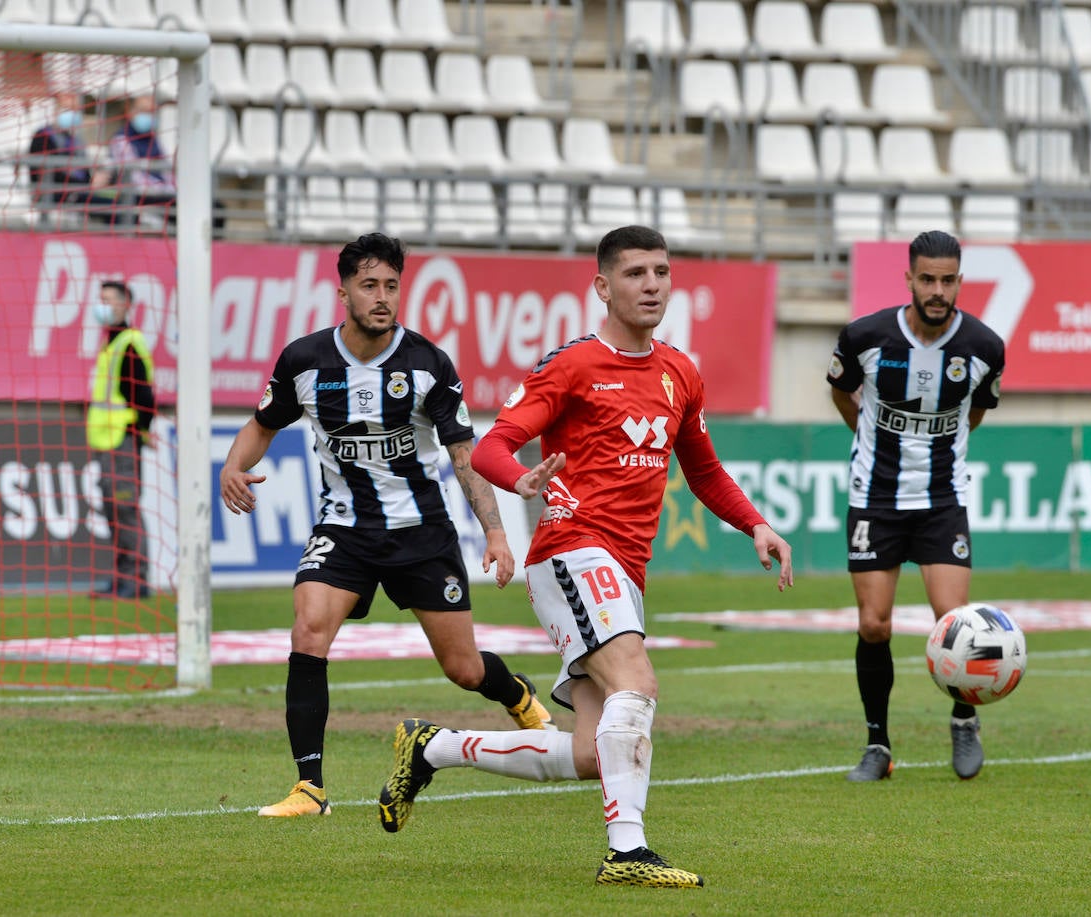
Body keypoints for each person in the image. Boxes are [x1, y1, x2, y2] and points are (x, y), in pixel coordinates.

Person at [374, 225, 795, 888]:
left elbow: (705, 470)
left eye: (660, 271)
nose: (651, 283)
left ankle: (433, 747)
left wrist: (756, 525)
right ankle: (627, 850)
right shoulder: (572, 366)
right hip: (572, 549)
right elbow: (490, 449)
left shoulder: (681, 371)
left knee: (592, 752)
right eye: (634, 273)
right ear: (603, 286)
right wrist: (524, 481)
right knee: (639, 681)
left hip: (624, 568)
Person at [219, 232, 555, 819]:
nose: (382, 297)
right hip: (344, 529)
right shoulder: (305, 360)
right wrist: (232, 465)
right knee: (308, 630)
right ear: (343, 290)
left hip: (421, 533)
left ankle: (516, 693)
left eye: (391, 286)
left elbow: (462, 455)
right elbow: (262, 425)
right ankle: (310, 788)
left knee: (463, 668)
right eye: (370, 285)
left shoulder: (427, 364)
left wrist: (497, 533)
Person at [825, 230, 1006, 783]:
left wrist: (938, 447)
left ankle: (964, 717)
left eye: (947, 280)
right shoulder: (865, 336)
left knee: (953, 623)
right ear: (909, 278)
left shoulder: (985, 347)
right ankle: (877, 747)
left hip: (942, 500)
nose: (937, 290)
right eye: (927, 279)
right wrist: (870, 438)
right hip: (874, 498)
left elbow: (976, 412)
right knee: (874, 624)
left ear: (959, 281)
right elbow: (841, 391)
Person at [88, 280, 156, 600]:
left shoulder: (129, 343)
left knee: (125, 507)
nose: (102, 305)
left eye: (108, 300)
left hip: (123, 438)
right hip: (106, 439)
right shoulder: (111, 343)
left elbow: (143, 394)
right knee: (112, 510)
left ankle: (137, 579)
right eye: (100, 299)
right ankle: (122, 576)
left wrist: (143, 430)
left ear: (125, 305)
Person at [28, 92, 121, 224]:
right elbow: (47, 175)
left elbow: (83, 173)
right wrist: (88, 185)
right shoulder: (43, 136)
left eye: (76, 110)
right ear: (56, 111)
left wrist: (96, 180)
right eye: (68, 109)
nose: (73, 114)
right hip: (56, 196)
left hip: (78, 194)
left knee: (122, 205)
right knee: (115, 209)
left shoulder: (76, 140)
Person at [109, 95, 176, 222]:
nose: (149, 116)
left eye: (152, 112)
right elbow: (134, 178)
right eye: (144, 111)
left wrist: (173, 189)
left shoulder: (153, 138)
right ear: (131, 113)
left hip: (162, 194)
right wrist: (163, 190)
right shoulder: (121, 139)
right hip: (140, 196)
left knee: (213, 206)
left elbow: (166, 170)